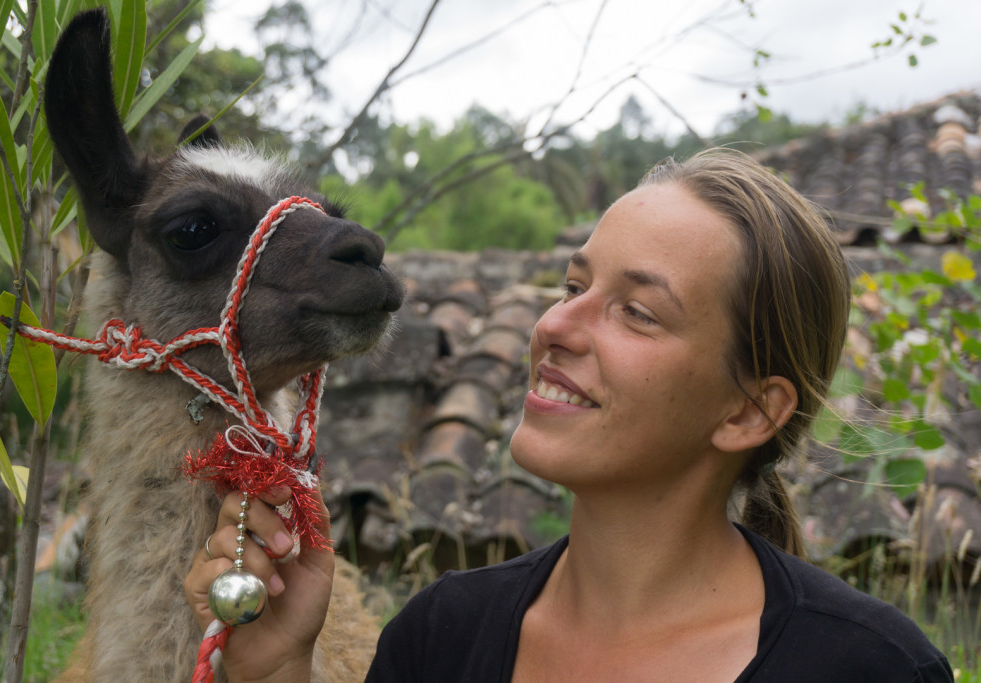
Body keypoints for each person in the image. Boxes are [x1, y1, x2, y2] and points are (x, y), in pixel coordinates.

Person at [185, 148, 953, 682]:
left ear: (750, 411)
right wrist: (277, 668)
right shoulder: (440, 639)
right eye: (572, 286)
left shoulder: (873, 668)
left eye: (638, 312)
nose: (554, 325)